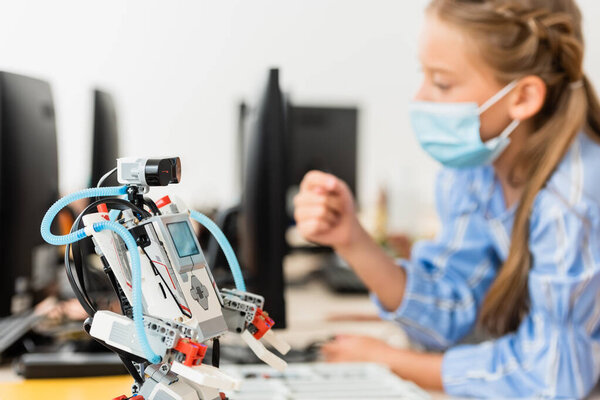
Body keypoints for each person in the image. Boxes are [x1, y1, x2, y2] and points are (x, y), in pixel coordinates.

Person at [293, 0, 600, 397]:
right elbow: (452, 308)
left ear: (522, 97)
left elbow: (554, 376)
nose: (420, 98)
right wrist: (351, 240)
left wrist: (392, 362)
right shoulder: (477, 168)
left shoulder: (571, 204)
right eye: (424, 75)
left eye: (442, 82)